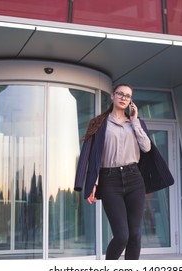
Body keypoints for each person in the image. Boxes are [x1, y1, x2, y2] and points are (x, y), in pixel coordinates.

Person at [74, 84, 174, 260]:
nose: (123, 98)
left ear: (131, 101)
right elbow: (88, 155)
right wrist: (90, 183)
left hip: (134, 178)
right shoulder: (98, 123)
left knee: (135, 235)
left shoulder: (136, 123)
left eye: (127, 96)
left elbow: (147, 147)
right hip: (109, 180)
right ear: (112, 96)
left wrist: (135, 122)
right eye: (120, 94)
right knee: (122, 236)